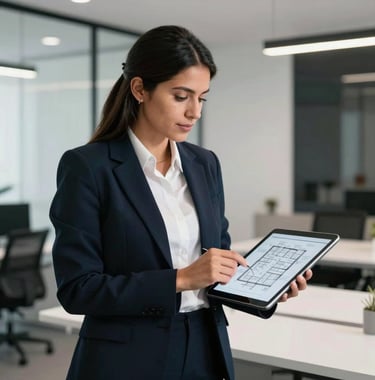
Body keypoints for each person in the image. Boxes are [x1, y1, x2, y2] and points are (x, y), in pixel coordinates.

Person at [49, 25, 312, 380]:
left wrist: (264, 287)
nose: (194, 112)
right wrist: (181, 278)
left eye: (202, 98)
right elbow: (77, 289)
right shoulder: (88, 167)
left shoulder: (205, 164)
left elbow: (217, 264)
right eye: (181, 96)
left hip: (205, 347)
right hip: (126, 360)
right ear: (140, 89)